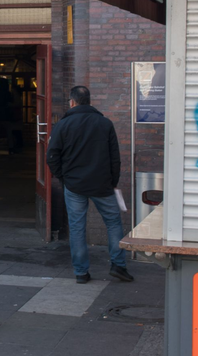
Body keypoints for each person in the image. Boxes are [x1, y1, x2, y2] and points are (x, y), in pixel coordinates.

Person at [46, 85, 133, 284]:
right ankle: (118, 265)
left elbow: (52, 157)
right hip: (102, 184)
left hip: (74, 185)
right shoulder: (104, 123)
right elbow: (115, 158)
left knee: (77, 228)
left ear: (72, 102)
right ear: (89, 101)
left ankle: (81, 272)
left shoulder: (62, 125)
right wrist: (112, 182)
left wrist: (63, 178)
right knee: (113, 223)